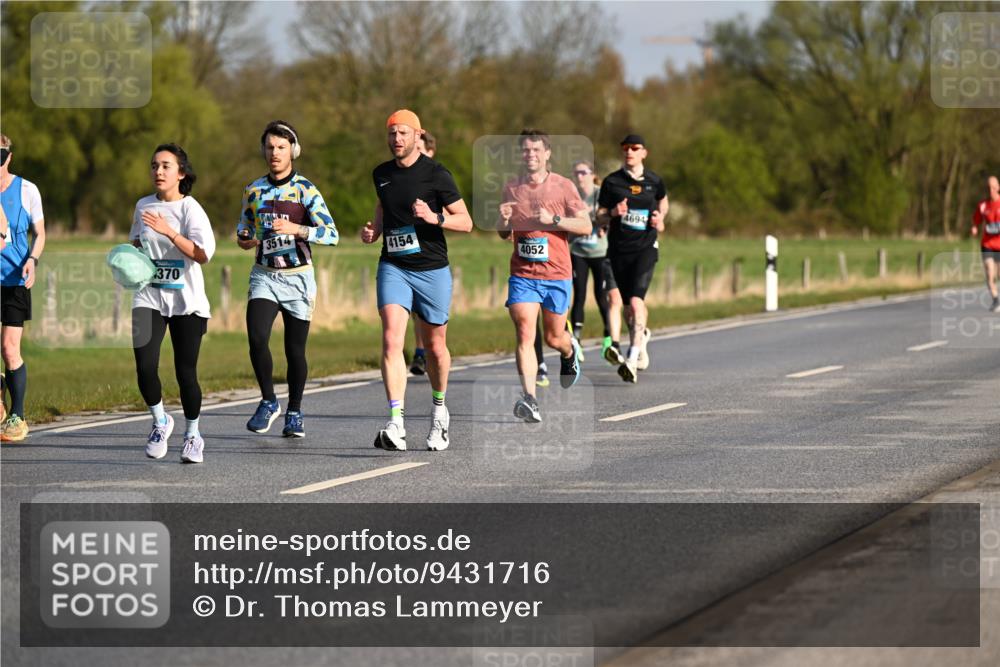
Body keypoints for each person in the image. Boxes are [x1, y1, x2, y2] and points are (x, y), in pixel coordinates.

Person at [362, 110, 472, 451]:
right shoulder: (381, 173)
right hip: (393, 265)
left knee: (436, 347)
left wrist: (434, 216)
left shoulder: (438, 175)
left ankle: (439, 412)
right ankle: (396, 423)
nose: (397, 139)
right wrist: (375, 229)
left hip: (431, 269)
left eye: (403, 133)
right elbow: (383, 207)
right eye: (392, 133)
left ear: (417, 136)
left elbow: (466, 222)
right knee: (392, 340)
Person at [237, 121, 339, 437]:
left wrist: (297, 229)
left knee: (295, 351)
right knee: (256, 338)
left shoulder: (306, 190)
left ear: (292, 150)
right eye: (269, 147)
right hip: (264, 275)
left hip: (298, 279)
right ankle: (269, 400)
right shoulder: (253, 190)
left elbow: (332, 235)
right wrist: (246, 239)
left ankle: (294, 411)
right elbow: (244, 230)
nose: (274, 153)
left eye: (281, 147)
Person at [130, 144, 215, 463]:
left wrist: (168, 232)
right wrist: (129, 256)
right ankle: (160, 421)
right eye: (154, 165)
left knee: (185, 372)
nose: (158, 171)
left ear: (181, 173)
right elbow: (136, 242)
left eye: (166, 166)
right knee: (144, 366)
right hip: (148, 296)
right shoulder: (142, 206)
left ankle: (193, 435)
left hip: (186, 302)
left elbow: (203, 255)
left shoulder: (190, 209)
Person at [498, 129, 590, 423]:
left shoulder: (563, 186)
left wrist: (556, 220)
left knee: (552, 337)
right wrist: (502, 220)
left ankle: (568, 350)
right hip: (523, 274)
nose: (531, 155)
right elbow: (504, 233)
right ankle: (530, 399)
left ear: (547, 153)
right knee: (525, 330)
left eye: (536, 150)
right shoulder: (512, 187)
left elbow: (586, 226)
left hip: (557, 274)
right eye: (526, 150)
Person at [597, 134, 668, 383]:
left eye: (634, 148)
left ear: (644, 153)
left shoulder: (654, 181)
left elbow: (663, 202)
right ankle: (642, 339)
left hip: (646, 248)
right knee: (628, 309)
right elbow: (600, 216)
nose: (629, 152)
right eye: (625, 148)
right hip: (618, 251)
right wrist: (614, 213)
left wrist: (660, 219)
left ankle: (632, 357)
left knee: (637, 302)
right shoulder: (612, 182)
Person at [0, 135, 45, 443]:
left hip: (15, 279)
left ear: (9, 156)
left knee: (8, 348)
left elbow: (39, 233)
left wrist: (33, 259)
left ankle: (17, 415)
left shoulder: (26, 190)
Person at [568, 160, 618, 361]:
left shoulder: (600, 193)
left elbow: (610, 216)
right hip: (579, 251)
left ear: (591, 174)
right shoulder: (571, 195)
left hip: (601, 252)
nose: (579, 176)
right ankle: (576, 341)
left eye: (583, 172)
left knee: (601, 295)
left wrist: (601, 223)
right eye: (576, 173)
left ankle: (608, 338)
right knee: (578, 295)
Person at [408, 130, 437, 376]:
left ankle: (431, 350)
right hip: (403, 253)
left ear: (430, 152)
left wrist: (434, 217)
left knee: (428, 312)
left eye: (420, 149)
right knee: (414, 309)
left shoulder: (437, 177)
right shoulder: (399, 175)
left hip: (431, 255)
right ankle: (420, 352)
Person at [971, 175, 1000, 312]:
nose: (991, 191)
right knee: (990, 274)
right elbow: (976, 220)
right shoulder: (983, 205)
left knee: (998, 274)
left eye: (993, 188)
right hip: (987, 244)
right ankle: (996, 300)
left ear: (998, 188)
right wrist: (975, 227)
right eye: (989, 188)